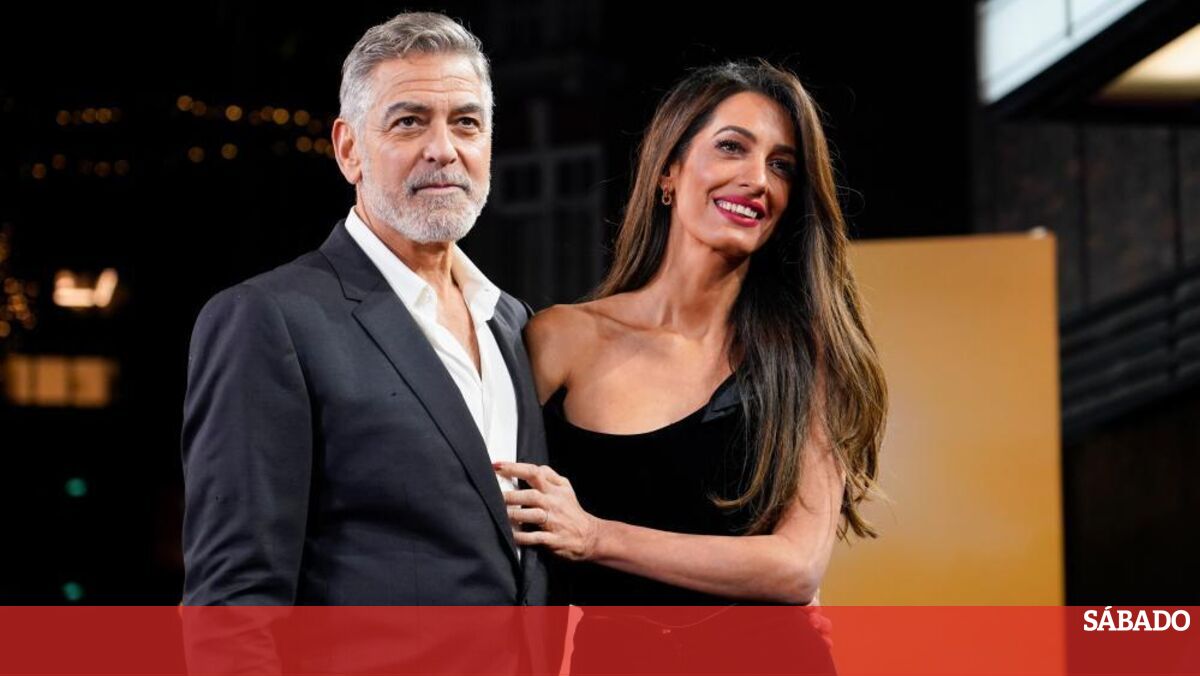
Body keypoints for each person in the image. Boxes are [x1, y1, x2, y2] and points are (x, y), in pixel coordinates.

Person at [180, 11, 557, 671]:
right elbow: (233, 608)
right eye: (409, 122)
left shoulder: (514, 324)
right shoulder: (267, 320)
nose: (443, 149)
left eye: (466, 123)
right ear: (348, 148)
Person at [496, 60, 887, 672]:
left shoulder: (807, 355)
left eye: (781, 165)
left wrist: (597, 536)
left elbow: (795, 566)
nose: (757, 179)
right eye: (732, 147)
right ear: (669, 171)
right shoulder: (560, 339)